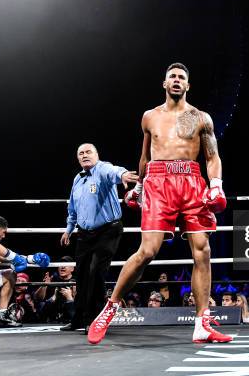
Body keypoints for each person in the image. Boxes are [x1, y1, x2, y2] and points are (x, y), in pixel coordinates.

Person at [88, 63, 230, 345]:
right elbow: (145, 155)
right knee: (148, 250)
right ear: (165, 84)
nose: (177, 80)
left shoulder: (200, 118)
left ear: (188, 86)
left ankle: (202, 322)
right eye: (172, 77)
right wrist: (139, 185)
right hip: (158, 183)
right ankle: (110, 307)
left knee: (202, 250)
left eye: (182, 78)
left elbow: (212, 157)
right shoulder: (150, 117)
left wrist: (216, 185)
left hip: (191, 181)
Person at [60, 143, 139, 334]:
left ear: (96, 155)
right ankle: (78, 318)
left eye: (88, 152)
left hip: (108, 230)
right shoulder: (77, 179)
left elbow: (114, 171)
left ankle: (95, 320)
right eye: (81, 153)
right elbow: (72, 207)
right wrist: (69, 229)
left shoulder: (102, 169)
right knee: (82, 275)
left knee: (96, 271)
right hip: (85, 234)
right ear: (78, 158)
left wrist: (123, 175)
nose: (85, 155)